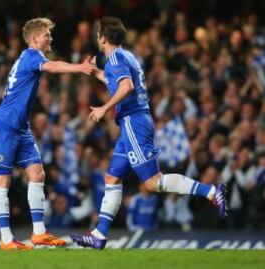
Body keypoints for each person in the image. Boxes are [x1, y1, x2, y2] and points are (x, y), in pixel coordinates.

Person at [70, 17, 228, 249]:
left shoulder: (115, 58)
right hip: (131, 125)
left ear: (103, 37)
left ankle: (211, 192)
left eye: (97, 34)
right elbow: (118, 82)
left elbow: (126, 87)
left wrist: (104, 108)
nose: (97, 37)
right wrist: (96, 73)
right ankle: (99, 234)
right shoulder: (126, 56)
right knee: (112, 177)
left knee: (153, 183)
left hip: (134, 123)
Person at [0, 18, 95, 250]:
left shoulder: (30, 58)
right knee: (1, 181)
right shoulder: (31, 56)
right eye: (46, 35)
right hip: (4, 126)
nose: (50, 38)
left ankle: (39, 233)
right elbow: (54, 68)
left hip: (21, 127)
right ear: (34, 39)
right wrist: (81, 68)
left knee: (37, 173)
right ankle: (6, 240)